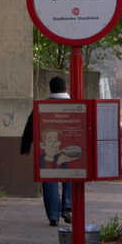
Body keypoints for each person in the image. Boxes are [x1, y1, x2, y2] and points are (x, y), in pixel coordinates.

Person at [20, 76, 72, 226]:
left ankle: (53, 216)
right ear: (66, 88)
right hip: (69, 150)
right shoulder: (75, 105)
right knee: (71, 178)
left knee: (50, 181)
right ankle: (67, 207)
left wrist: (25, 147)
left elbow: (29, 127)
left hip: (47, 152)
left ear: (50, 89)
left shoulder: (42, 106)